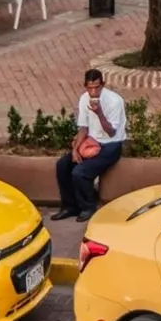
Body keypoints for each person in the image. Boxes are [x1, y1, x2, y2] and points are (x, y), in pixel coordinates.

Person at [55, 68, 126, 221]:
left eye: (97, 87)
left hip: (110, 145)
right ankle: (70, 206)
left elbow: (111, 132)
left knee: (80, 172)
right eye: (90, 87)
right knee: (63, 165)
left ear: (103, 84)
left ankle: (88, 207)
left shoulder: (115, 101)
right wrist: (75, 150)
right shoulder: (84, 99)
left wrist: (99, 113)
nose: (93, 91)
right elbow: (83, 128)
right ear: (85, 86)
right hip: (91, 142)